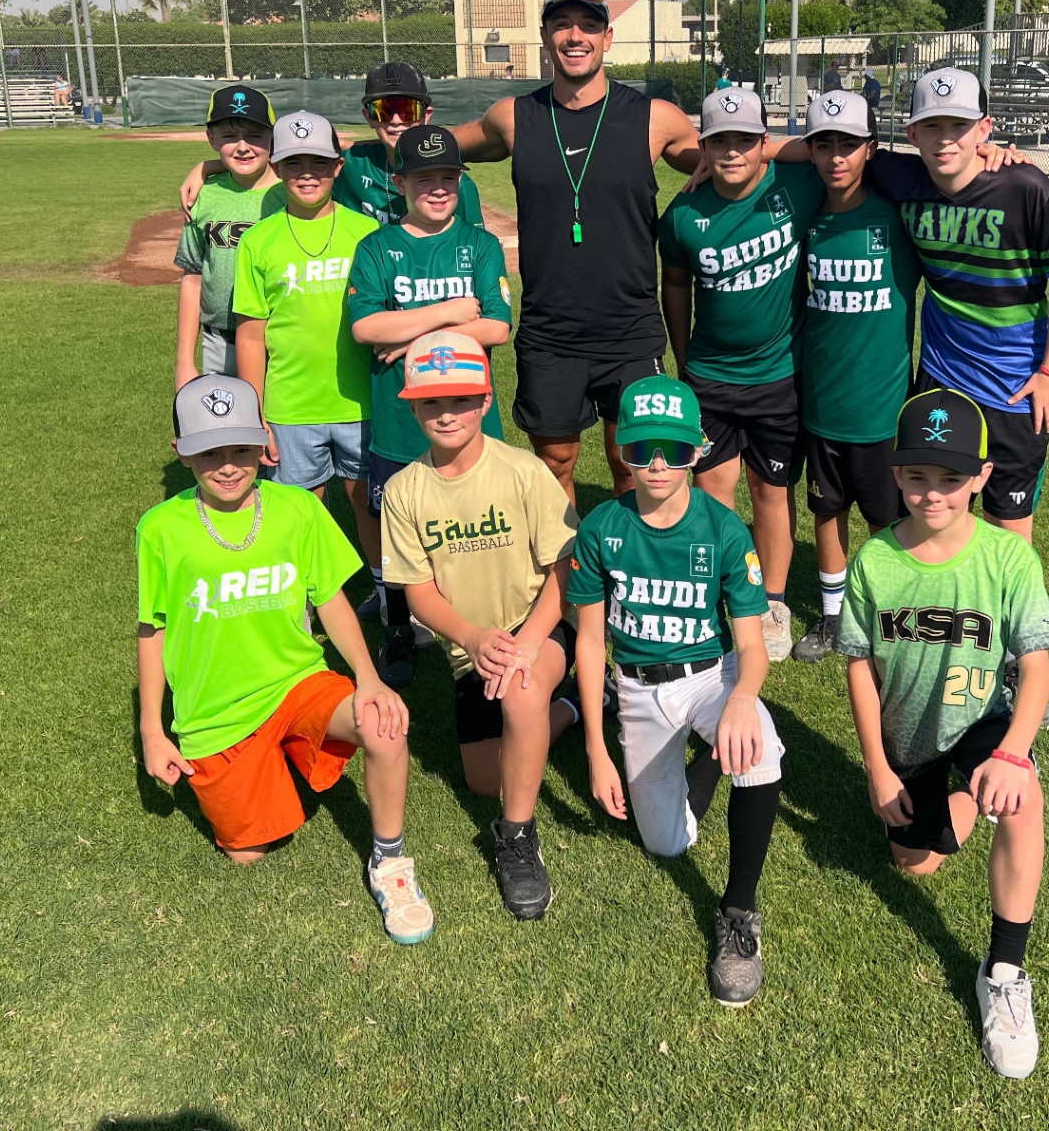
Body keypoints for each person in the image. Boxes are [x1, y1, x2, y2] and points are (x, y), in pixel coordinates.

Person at [136, 374, 434, 944]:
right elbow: (153, 630)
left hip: (296, 683)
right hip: (215, 713)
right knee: (246, 853)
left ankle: (391, 863)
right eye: (209, 452)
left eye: (241, 448)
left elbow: (331, 600)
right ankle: (275, 766)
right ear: (180, 452)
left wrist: (368, 679)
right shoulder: (160, 530)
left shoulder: (297, 509)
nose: (228, 465)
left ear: (265, 440)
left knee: (384, 725)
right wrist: (153, 730)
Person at [837, 388, 1049, 1077]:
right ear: (895, 473)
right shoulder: (873, 560)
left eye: (952, 479)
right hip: (910, 739)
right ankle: (963, 800)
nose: (933, 495)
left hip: (982, 721)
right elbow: (860, 671)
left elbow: (1039, 670)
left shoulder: (1008, 560)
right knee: (918, 862)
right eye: (917, 477)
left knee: (1020, 795)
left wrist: (1014, 750)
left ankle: (1004, 974)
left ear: (983, 477)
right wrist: (876, 768)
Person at [760, 67, 1049, 543]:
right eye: (932, 126)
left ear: (984, 129)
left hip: (1015, 386)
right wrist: (735, 151)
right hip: (941, 377)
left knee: (1009, 527)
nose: (945, 140)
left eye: (960, 127)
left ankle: (1008, 617)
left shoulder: (1025, 187)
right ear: (911, 133)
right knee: (936, 512)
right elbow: (819, 148)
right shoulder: (899, 175)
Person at [571, 375, 784, 1007]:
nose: (657, 464)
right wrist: (595, 748)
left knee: (761, 750)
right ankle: (711, 759)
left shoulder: (722, 529)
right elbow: (588, 643)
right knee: (666, 843)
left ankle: (739, 912)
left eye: (672, 448)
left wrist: (742, 701)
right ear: (621, 452)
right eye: (641, 450)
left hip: (708, 677)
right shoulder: (600, 528)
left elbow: (750, 645)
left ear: (698, 450)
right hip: (636, 689)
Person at [451, 0, 704, 503]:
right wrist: (387, 139)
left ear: (607, 38)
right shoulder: (513, 118)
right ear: (545, 35)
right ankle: (566, 582)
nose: (575, 36)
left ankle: (629, 576)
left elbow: (730, 159)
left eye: (588, 25)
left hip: (629, 328)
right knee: (555, 464)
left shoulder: (654, 118)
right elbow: (439, 148)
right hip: (550, 330)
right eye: (562, 24)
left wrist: (806, 154)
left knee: (632, 463)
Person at [379, 332, 585, 922]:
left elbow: (564, 569)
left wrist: (524, 645)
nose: (447, 414)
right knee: (482, 777)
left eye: (461, 400)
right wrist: (471, 639)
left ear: (487, 400)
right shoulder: (403, 491)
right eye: (431, 403)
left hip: (536, 624)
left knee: (521, 694)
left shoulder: (523, 472)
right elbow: (417, 591)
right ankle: (571, 707)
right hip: (473, 647)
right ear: (411, 405)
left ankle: (517, 839)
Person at [658, 87, 820, 662]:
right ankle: (724, 595)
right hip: (710, 377)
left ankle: (772, 600)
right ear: (702, 146)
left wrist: (773, 152)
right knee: (712, 491)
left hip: (780, 375)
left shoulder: (794, 188)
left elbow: (821, 150)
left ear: (762, 142)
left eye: (745, 141)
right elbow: (674, 286)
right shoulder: (682, 215)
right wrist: (683, 365)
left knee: (771, 490)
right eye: (719, 141)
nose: (732, 153)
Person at [347, 124, 511, 684]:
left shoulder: (479, 244)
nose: (437, 188)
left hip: (470, 419)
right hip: (400, 420)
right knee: (399, 532)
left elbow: (496, 326)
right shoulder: (376, 247)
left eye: (448, 177)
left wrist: (411, 338)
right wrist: (450, 312)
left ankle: (485, 618)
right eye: (424, 178)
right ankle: (399, 625)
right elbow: (367, 325)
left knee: (482, 524)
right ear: (401, 182)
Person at [231, 111, 384, 660]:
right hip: (290, 406)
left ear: (337, 167)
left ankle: (391, 602)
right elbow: (250, 334)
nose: (307, 173)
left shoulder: (367, 234)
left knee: (370, 508)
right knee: (297, 513)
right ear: (277, 168)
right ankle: (298, 612)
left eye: (318, 162)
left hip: (361, 401)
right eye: (294, 163)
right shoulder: (260, 241)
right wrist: (255, 413)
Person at [788, 92, 921, 664]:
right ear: (810, 151)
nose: (836, 157)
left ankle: (891, 611)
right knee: (825, 511)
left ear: (871, 149)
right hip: (821, 404)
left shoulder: (897, 217)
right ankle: (834, 616)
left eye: (848, 144)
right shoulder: (804, 217)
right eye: (824, 144)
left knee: (888, 520)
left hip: (883, 408)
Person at [178, 62, 485, 231]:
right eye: (382, 110)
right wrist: (208, 166)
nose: (395, 121)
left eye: (407, 110)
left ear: (426, 114)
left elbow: (477, 255)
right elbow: (298, 160)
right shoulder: (351, 164)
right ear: (367, 116)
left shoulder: (457, 183)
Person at [173, 87, 284, 387]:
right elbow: (193, 277)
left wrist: (205, 165)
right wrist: (184, 361)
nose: (243, 146)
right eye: (229, 136)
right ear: (211, 139)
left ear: (273, 137)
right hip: (219, 344)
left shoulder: (292, 192)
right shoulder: (204, 196)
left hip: (283, 343)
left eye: (255, 135)